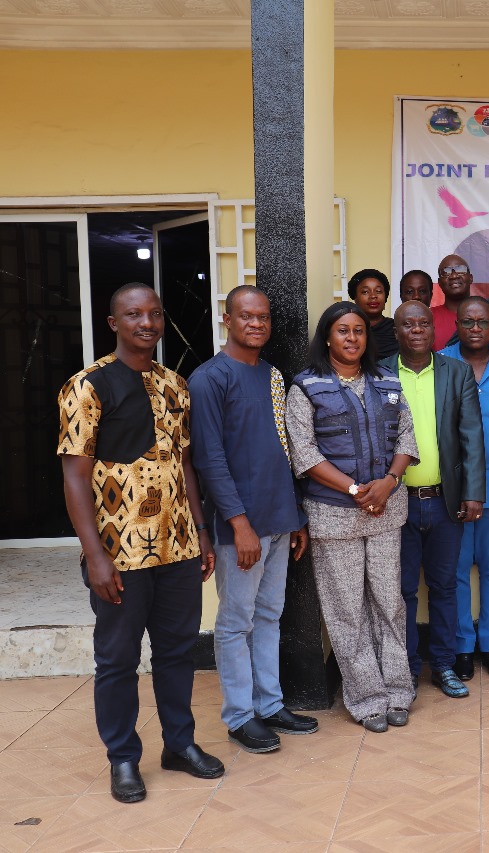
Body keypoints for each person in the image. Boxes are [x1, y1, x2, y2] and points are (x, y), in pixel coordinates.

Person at [58, 283, 224, 804]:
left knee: (177, 653)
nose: (146, 322)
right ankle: (123, 759)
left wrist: (200, 531)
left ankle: (179, 745)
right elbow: (75, 478)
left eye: (154, 313)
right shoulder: (87, 387)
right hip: (120, 554)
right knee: (118, 659)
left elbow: (185, 467)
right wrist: (95, 555)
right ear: (114, 324)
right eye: (133, 315)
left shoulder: (176, 385)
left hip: (177, 548)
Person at [189, 286, 315, 755]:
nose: (257, 324)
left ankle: (270, 703)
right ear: (228, 320)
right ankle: (240, 716)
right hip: (238, 528)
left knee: (269, 615)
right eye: (247, 317)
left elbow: (283, 449)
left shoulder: (272, 375)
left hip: (280, 519)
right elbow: (209, 459)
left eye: (263, 317)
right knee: (235, 620)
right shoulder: (209, 379)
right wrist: (239, 523)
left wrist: (295, 515)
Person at [286, 302, 416, 731]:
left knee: (389, 604)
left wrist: (389, 482)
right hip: (335, 516)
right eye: (343, 330)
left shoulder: (387, 381)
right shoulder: (305, 387)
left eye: (359, 330)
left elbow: (406, 438)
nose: (352, 338)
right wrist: (356, 489)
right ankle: (365, 699)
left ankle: (398, 691)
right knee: (347, 611)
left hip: (386, 511)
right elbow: (304, 454)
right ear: (328, 336)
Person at [380, 301, 486, 699]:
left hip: (445, 501)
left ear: (434, 330)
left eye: (425, 323)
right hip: (396, 504)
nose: (418, 330)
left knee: (444, 587)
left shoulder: (456, 372)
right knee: (403, 590)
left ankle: (443, 665)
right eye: (409, 324)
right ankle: (406, 669)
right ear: (397, 332)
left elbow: (471, 437)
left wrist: (474, 492)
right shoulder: (381, 373)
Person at [439, 297, 489, 680]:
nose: (475, 328)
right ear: (457, 323)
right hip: (451, 488)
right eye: (468, 321)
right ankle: (461, 648)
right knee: (455, 571)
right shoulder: (440, 363)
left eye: (482, 322)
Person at [348, 269, 398, 360]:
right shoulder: (348, 330)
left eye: (378, 291)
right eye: (365, 292)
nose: (373, 296)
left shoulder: (397, 328)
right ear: (355, 297)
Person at [434, 254, 473, 349]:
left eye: (461, 270)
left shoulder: (487, 314)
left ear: (471, 278)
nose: (454, 276)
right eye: (446, 272)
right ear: (439, 283)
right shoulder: (428, 317)